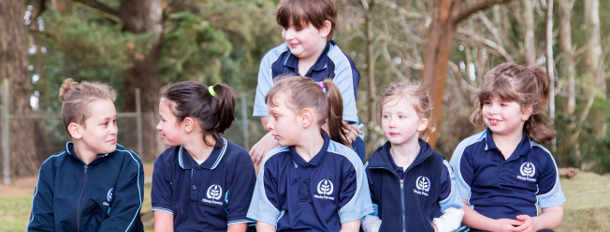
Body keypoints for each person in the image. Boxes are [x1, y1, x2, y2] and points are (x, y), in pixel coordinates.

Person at [250, 0, 365, 165]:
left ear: (324, 28)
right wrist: (272, 137)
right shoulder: (271, 61)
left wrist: (274, 137)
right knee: (261, 156)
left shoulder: (340, 64)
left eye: (297, 29)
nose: (288, 36)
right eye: (285, 28)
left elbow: (335, 124)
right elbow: (269, 120)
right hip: (282, 138)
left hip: (333, 139)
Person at [247, 76, 372, 232]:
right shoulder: (272, 162)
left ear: (305, 118)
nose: (269, 125)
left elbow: (350, 226)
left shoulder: (348, 162)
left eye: (276, 116)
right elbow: (265, 223)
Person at [450, 63, 565, 232]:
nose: (492, 111)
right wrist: (495, 226)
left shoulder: (542, 158)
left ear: (525, 111)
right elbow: (456, 207)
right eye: (488, 103)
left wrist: (536, 224)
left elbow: (555, 212)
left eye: (503, 104)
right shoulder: (468, 151)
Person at [28, 78, 144, 232]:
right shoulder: (51, 168)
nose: (114, 130)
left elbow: (120, 222)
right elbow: (40, 224)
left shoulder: (128, 163)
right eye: (105, 124)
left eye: (114, 121)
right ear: (76, 130)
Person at [151, 81, 256, 232]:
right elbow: (164, 226)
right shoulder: (164, 162)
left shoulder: (238, 161)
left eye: (164, 120)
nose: (158, 126)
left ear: (187, 124)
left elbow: (237, 227)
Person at [362, 82, 464, 232]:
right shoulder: (372, 168)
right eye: (386, 116)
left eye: (401, 116)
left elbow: (455, 210)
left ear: (421, 124)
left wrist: (435, 228)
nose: (392, 123)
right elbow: (366, 212)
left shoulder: (438, 167)